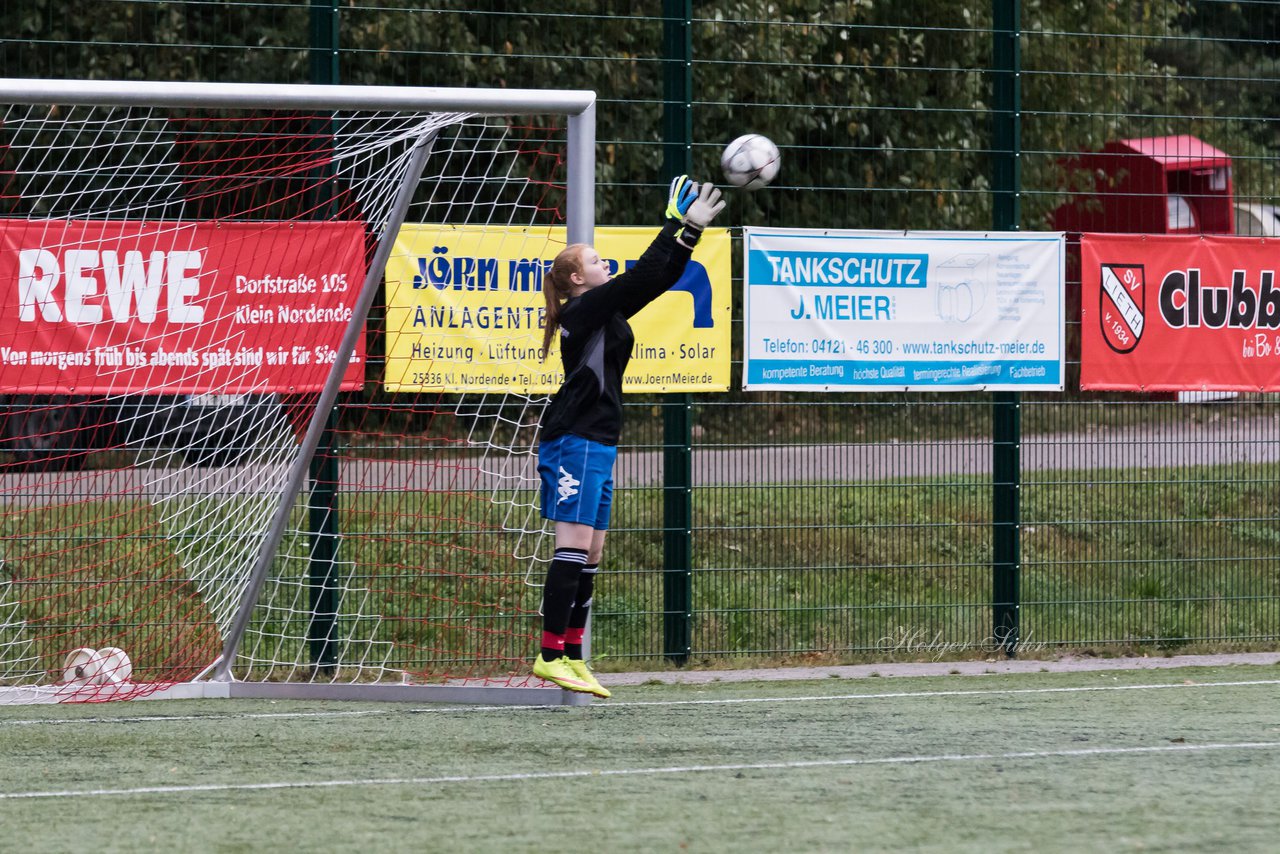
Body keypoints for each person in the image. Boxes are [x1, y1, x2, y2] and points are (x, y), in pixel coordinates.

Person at [532, 175, 725, 697]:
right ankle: (549, 653)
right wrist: (676, 224)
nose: (604, 265)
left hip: (598, 439)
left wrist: (690, 236)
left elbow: (656, 281)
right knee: (572, 547)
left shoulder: (605, 312)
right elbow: (640, 275)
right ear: (575, 278)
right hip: (573, 439)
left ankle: (572, 654)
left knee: (592, 552)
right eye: (595, 261)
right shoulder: (583, 310)